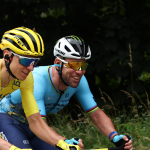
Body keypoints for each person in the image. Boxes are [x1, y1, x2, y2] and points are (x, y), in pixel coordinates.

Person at [0, 35, 133, 150]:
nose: (79, 71)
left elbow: (96, 114)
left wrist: (114, 136)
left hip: (34, 126)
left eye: (83, 66)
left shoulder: (79, 80)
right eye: (74, 65)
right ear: (58, 63)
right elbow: (39, 121)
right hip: (9, 120)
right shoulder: (37, 80)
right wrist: (62, 141)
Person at [0, 27, 45, 150]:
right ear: (7, 55)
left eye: (34, 62)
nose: (31, 68)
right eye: (26, 60)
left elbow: (35, 121)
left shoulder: (25, 78)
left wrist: (61, 142)